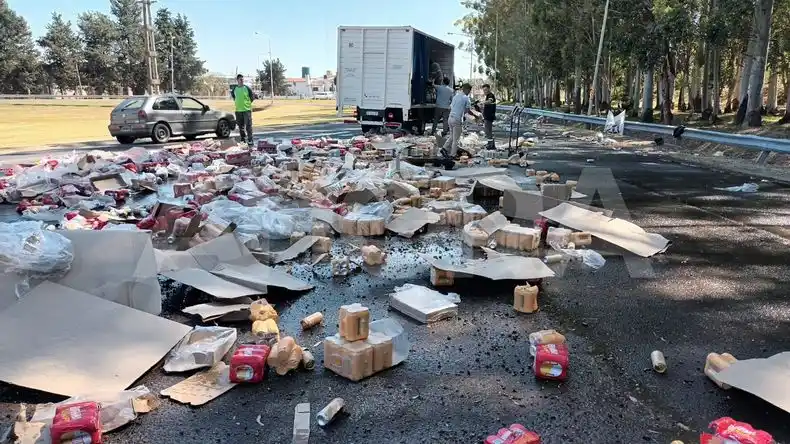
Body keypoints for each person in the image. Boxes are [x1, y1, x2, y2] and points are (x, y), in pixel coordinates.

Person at [441, 83, 480, 159]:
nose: (469, 92)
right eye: (469, 90)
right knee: (456, 139)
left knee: (452, 136)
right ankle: (453, 155)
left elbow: (452, 107)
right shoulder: (466, 98)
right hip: (457, 119)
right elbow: (467, 111)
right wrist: (475, 116)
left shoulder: (456, 96)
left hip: (450, 118)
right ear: (467, 89)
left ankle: (444, 148)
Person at [230, 74, 255, 145]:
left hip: (247, 110)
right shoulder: (234, 89)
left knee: (248, 126)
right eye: (240, 79)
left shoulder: (247, 88)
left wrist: (248, 103)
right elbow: (234, 97)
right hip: (238, 110)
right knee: (241, 127)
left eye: (243, 79)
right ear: (237, 80)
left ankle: (250, 140)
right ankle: (243, 140)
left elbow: (252, 97)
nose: (242, 81)